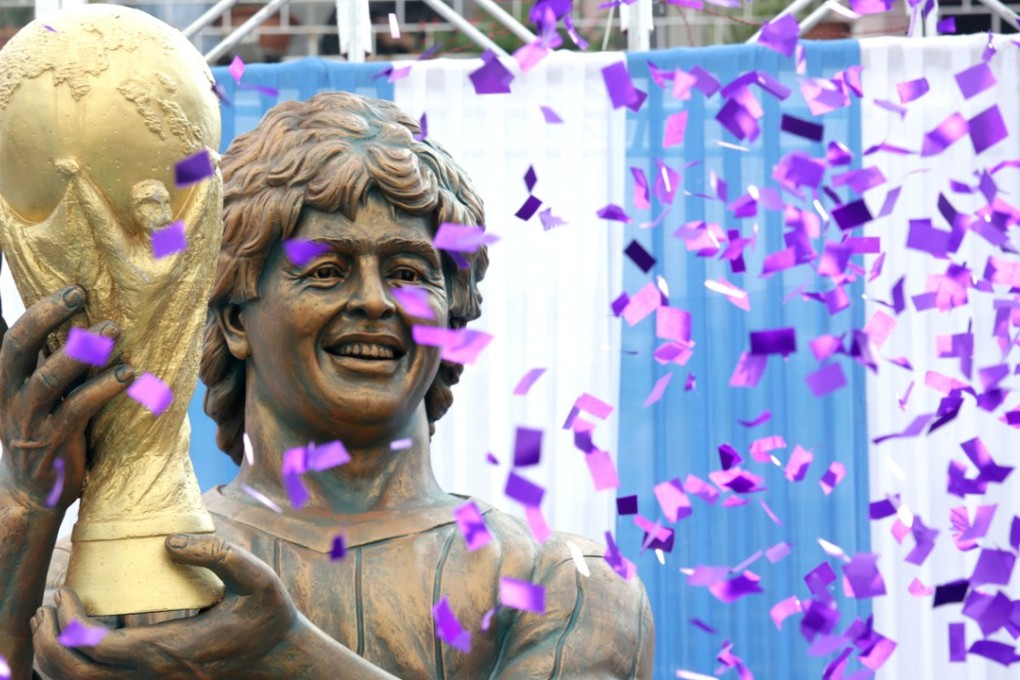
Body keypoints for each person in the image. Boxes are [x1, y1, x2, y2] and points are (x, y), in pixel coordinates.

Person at [0, 91, 653, 678]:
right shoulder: (103, 580)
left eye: (407, 272)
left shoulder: (566, 584)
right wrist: (27, 510)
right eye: (326, 272)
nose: (375, 301)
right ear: (233, 318)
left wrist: (287, 655)